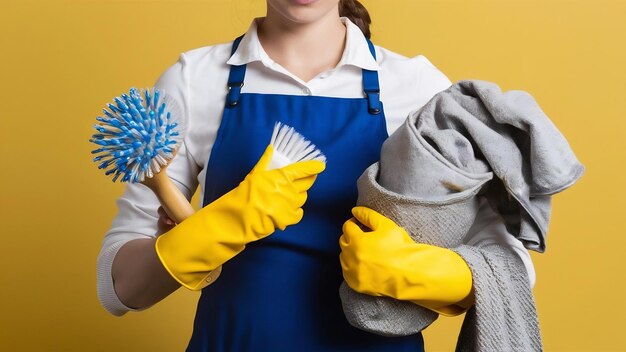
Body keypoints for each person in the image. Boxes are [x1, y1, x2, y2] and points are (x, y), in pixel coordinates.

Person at [96, 0, 536, 350]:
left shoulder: (417, 87)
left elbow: (509, 269)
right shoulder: (195, 80)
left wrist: (416, 270)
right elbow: (120, 289)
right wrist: (208, 232)